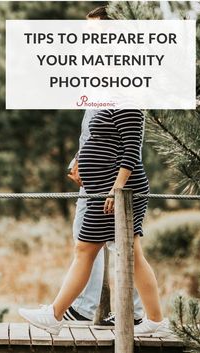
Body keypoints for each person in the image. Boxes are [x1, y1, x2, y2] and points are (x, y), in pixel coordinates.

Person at [19, 108, 170, 337]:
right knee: (119, 252)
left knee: (100, 251)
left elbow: (131, 150)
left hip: (116, 192)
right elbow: (105, 141)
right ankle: (155, 320)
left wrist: (116, 188)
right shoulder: (109, 101)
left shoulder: (128, 103)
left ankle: (56, 315)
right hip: (104, 190)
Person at [63, 109, 144, 329]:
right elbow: (95, 136)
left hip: (110, 184)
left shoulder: (123, 94)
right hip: (96, 183)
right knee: (89, 242)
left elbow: (129, 142)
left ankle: (133, 312)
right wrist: (80, 159)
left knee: (122, 245)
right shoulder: (97, 92)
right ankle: (82, 308)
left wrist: (117, 186)